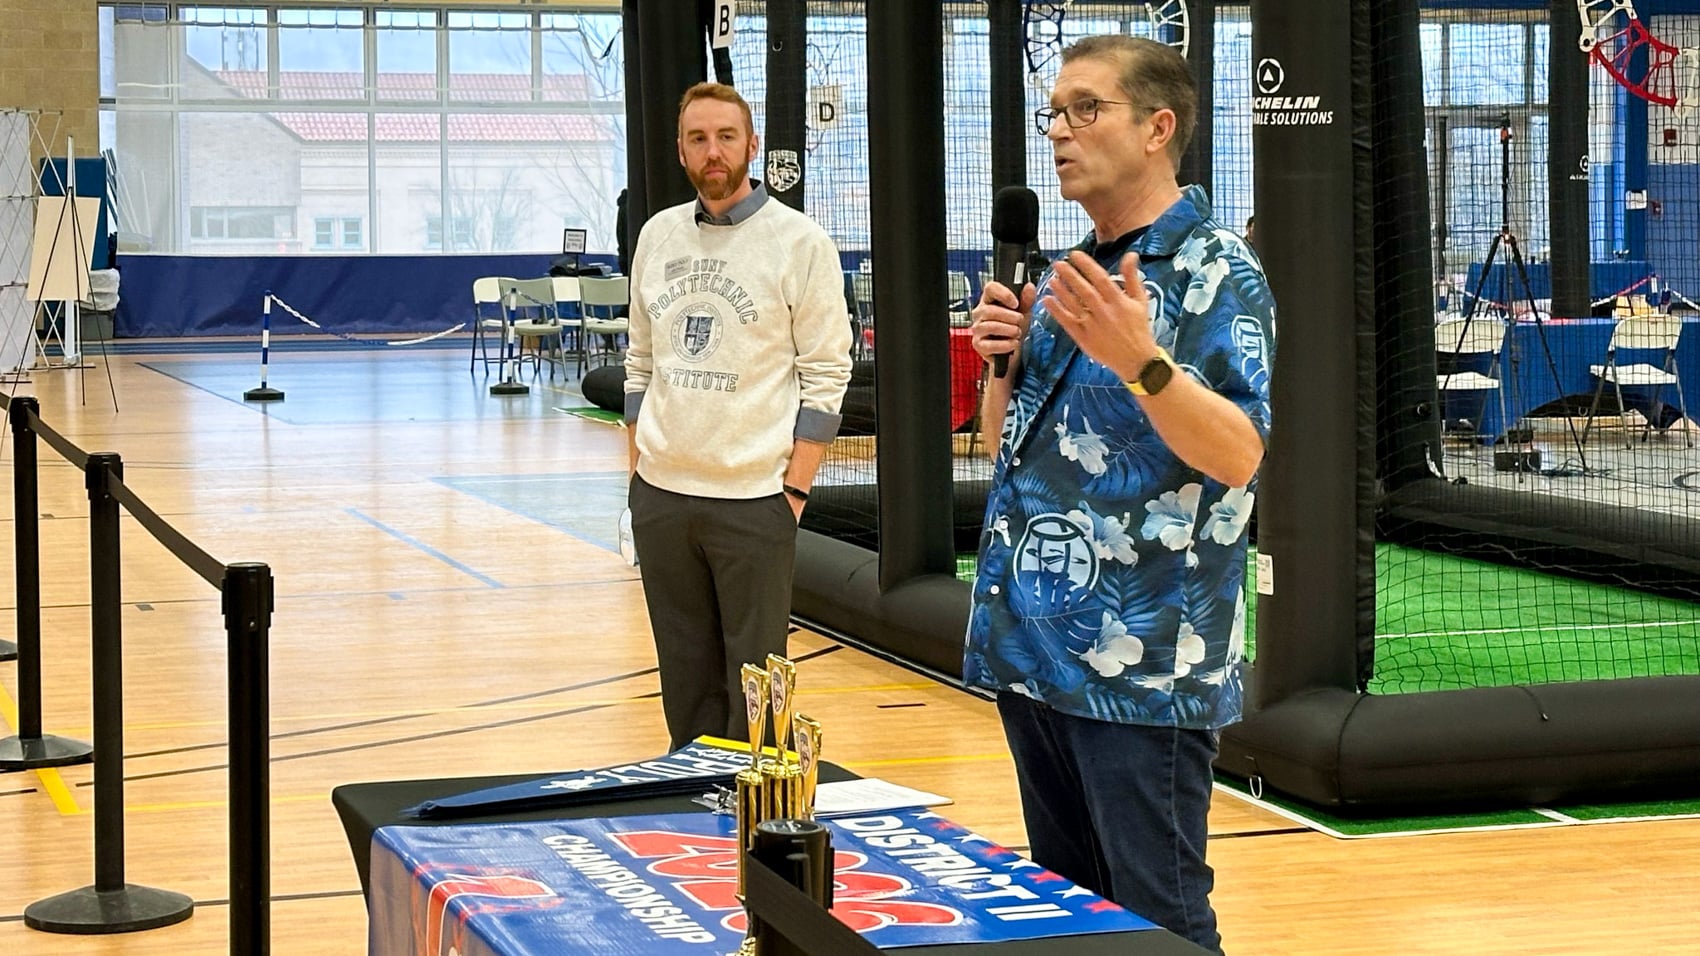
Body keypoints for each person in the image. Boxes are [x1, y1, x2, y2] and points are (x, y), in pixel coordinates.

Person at [965, 36, 1274, 955]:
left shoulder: (1217, 271)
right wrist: (1001, 365)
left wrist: (1142, 363)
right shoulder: (1068, 275)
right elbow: (1001, 450)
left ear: (1158, 128)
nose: (1060, 132)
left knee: (1162, 926)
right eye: (1053, 113)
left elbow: (1242, 451)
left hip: (1140, 680)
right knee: (1073, 926)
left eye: (1086, 109)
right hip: (1035, 657)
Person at [624, 82, 852, 752]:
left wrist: (795, 491)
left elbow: (828, 375)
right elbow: (639, 364)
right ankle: (693, 823)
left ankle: (759, 829)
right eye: (698, 138)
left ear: (752, 146)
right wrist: (640, 472)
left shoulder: (798, 242)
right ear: (680, 150)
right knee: (685, 679)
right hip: (663, 498)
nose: (713, 151)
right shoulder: (657, 235)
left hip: (755, 499)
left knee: (758, 694)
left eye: (727, 137)